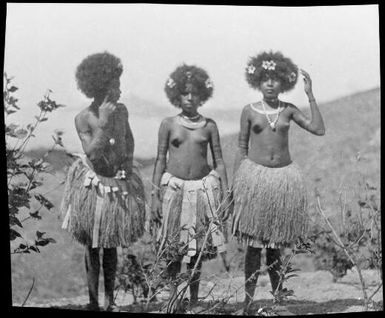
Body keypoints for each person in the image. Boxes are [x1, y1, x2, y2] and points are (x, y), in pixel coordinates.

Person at [231, 51, 325, 312]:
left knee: (275, 247)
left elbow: (318, 129)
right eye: (265, 79)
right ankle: (248, 303)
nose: (270, 84)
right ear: (257, 83)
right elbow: (241, 147)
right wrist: (237, 185)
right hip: (255, 180)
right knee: (252, 246)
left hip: (283, 181)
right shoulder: (249, 111)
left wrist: (310, 95)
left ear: (282, 83)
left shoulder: (289, 110)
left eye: (275, 80)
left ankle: (278, 300)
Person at [60, 52, 146, 311]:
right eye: (114, 86)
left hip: (116, 182)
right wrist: (104, 125)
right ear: (99, 88)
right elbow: (93, 153)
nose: (119, 91)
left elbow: (128, 140)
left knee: (110, 243)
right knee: (92, 246)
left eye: (119, 85)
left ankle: (109, 301)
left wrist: (128, 166)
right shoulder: (84, 118)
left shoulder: (122, 111)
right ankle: (92, 301)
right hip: (93, 185)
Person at [150, 64, 231, 309]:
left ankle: (194, 300)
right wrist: (154, 195)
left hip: (200, 192)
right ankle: (174, 299)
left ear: (201, 96)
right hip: (174, 192)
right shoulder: (168, 124)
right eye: (185, 93)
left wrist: (226, 195)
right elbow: (160, 159)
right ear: (177, 95)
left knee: (196, 250)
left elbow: (219, 162)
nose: (189, 97)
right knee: (174, 248)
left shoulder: (209, 126)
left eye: (194, 93)